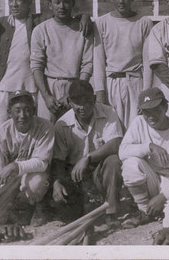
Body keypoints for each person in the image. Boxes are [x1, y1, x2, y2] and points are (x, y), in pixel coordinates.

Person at [0, 0, 93, 129]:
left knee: (35, 130)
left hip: (31, 88)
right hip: (5, 87)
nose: (14, 4)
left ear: (29, 1)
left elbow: (62, 15)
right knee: (3, 130)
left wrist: (84, 16)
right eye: (10, 0)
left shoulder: (38, 21)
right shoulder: (0, 24)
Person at [0, 90, 55, 230]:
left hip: (31, 176)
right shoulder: (0, 133)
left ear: (34, 110)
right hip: (8, 180)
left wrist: (14, 166)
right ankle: (10, 211)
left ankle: (32, 209)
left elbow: (42, 163)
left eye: (27, 110)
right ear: (9, 112)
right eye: (17, 110)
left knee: (37, 181)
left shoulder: (45, 127)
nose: (22, 116)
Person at [52, 80, 124, 230]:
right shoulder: (62, 123)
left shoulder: (108, 112)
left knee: (113, 161)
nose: (82, 107)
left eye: (87, 101)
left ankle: (112, 211)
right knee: (66, 210)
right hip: (75, 175)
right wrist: (56, 183)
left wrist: (88, 158)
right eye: (77, 102)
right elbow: (58, 160)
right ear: (70, 102)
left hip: (98, 168)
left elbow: (116, 142)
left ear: (95, 99)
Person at [119, 88, 169, 233]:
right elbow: (122, 152)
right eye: (146, 112)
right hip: (152, 180)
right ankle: (145, 211)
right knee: (130, 164)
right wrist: (149, 147)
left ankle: (160, 210)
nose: (151, 116)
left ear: (165, 107)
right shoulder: (139, 122)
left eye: (155, 110)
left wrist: (163, 197)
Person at [94, 0, 153, 128]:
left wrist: (146, 92)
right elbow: (99, 61)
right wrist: (100, 92)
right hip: (111, 84)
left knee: (135, 128)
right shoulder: (102, 23)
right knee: (111, 129)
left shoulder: (143, 22)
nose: (121, 1)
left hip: (134, 84)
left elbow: (148, 62)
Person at [31, 0, 93, 123]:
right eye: (57, 2)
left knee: (74, 133)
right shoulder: (41, 30)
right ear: (50, 5)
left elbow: (87, 64)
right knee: (47, 133)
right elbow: (36, 66)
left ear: (73, 3)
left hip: (75, 86)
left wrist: (73, 94)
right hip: (49, 86)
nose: (62, 6)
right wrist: (46, 96)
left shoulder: (83, 28)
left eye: (66, 1)